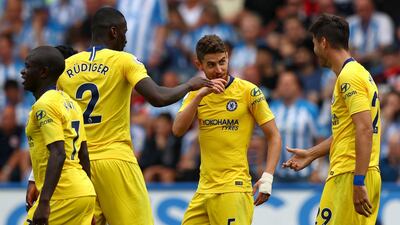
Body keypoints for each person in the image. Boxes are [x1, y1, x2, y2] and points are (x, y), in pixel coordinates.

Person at [28, 7, 215, 225]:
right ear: (114, 32)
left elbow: (50, 122)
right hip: (116, 161)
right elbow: (158, 97)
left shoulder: (65, 66)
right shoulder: (124, 60)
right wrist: (189, 85)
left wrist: (34, 176)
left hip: (79, 167)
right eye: (125, 32)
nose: (126, 39)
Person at [283, 14, 381, 225]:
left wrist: (358, 181)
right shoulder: (357, 73)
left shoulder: (349, 77)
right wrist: (311, 154)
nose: (314, 50)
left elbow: (364, 130)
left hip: (350, 173)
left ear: (323, 42)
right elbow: (349, 132)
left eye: (314, 43)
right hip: (354, 171)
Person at [173, 34, 282, 225]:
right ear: (199, 65)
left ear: (228, 58)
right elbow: (177, 130)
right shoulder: (195, 93)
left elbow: (273, 135)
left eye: (222, 62)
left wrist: (267, 177)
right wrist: (200, 96)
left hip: (234, 188)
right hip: (204, 190)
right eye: (211, 65)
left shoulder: (249, 91)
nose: (219, 70)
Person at [22, 46, 95, 225]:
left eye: (28, 66)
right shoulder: (71, 103)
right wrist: (89, 201)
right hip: (82, 191)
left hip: (62, 193)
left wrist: (45, 203)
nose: (23, 72)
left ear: (43, 72)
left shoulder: (45, 105)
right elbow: (83, 154)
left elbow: (58, 152)